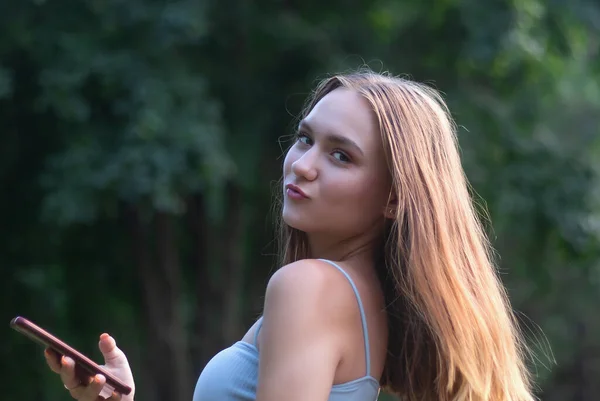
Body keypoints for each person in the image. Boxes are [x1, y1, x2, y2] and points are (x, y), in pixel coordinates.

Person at [44, 70, 536, 401]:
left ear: (394, 198)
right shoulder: (363, 301)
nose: (301, 166)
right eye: (305, 139)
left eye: (340, 155)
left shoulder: (311, 288)